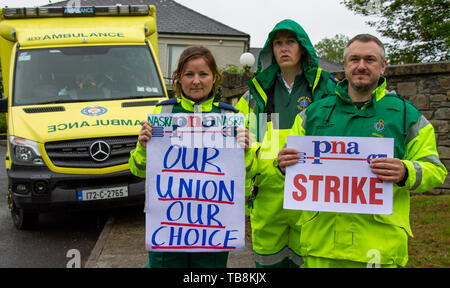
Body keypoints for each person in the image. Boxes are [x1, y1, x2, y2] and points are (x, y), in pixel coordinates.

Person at [277, 34, 448, 268]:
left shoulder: (407, 115)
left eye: (370, 60)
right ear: (345, 65)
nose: (361, 66)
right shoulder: (313, 113)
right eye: (354, 59)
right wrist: (283, 164)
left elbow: (435, 170)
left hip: (379, 249)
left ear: (383, 66)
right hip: (320, 246)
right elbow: (287, 166)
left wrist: (405, 171)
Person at [129, 46, 250, 268]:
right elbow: (137, 170)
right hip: (168, 227)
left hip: (213, 229)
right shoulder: (162, 114)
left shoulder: (230, 117)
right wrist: (143, 147)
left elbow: (247, 176)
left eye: (203, 74)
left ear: (215, 78)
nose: (196, 81)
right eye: (189, 74)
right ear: (179, 78)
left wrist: (246, 151)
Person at [235, 19, 337, 268]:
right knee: (268, 262)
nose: (284, 48)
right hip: (269, 198)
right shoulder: (258, 92)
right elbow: (242, 140)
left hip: (312, 195)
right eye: (278, 43)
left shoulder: (325, 87)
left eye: (290, 42)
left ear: (302, 47)